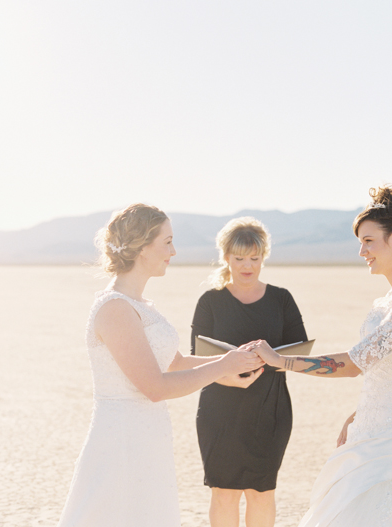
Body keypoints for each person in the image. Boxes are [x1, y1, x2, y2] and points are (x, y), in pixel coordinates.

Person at [251, 186, 392, 527]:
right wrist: (360, 413)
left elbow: (353, 364)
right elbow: (388, 371)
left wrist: (280, 361)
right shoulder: (388, 300)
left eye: (369, 241)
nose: (361, 251)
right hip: (371, 430)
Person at [56, 204, 264, 527]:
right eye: (166, 242)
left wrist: (231, 365)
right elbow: (155, 387)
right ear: (142, 248)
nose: (174, 251)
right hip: (121, 442)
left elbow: (175, 363)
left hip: (148, 439)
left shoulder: (141, 305)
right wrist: (224, 363)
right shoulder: (115, 310)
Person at [190, 217, 308, 527]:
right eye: (239, 258)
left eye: (254, 258)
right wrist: (226, 375)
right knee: (224, 492)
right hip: (220, 408)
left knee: (261, 492)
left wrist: (272, 357)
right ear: (225, 256)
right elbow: (196, 358)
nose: (247, 265)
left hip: (270, 409)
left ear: (263, 257)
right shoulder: (211, 301)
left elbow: (299, 351)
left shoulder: (281, 299)